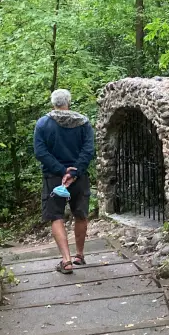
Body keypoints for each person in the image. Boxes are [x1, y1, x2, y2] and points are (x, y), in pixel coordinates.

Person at [34, 89, 94, 274]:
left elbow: (40, 151)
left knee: (56, 216)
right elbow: (88, 149)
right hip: (80, 176)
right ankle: (80, 255)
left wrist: (61, 171)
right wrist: (75, 171)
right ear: (69, 102)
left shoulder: (43, 123)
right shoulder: (84, 123)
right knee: (80, 214)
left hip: (54, 178)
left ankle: (66, 260)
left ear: (53, 103)